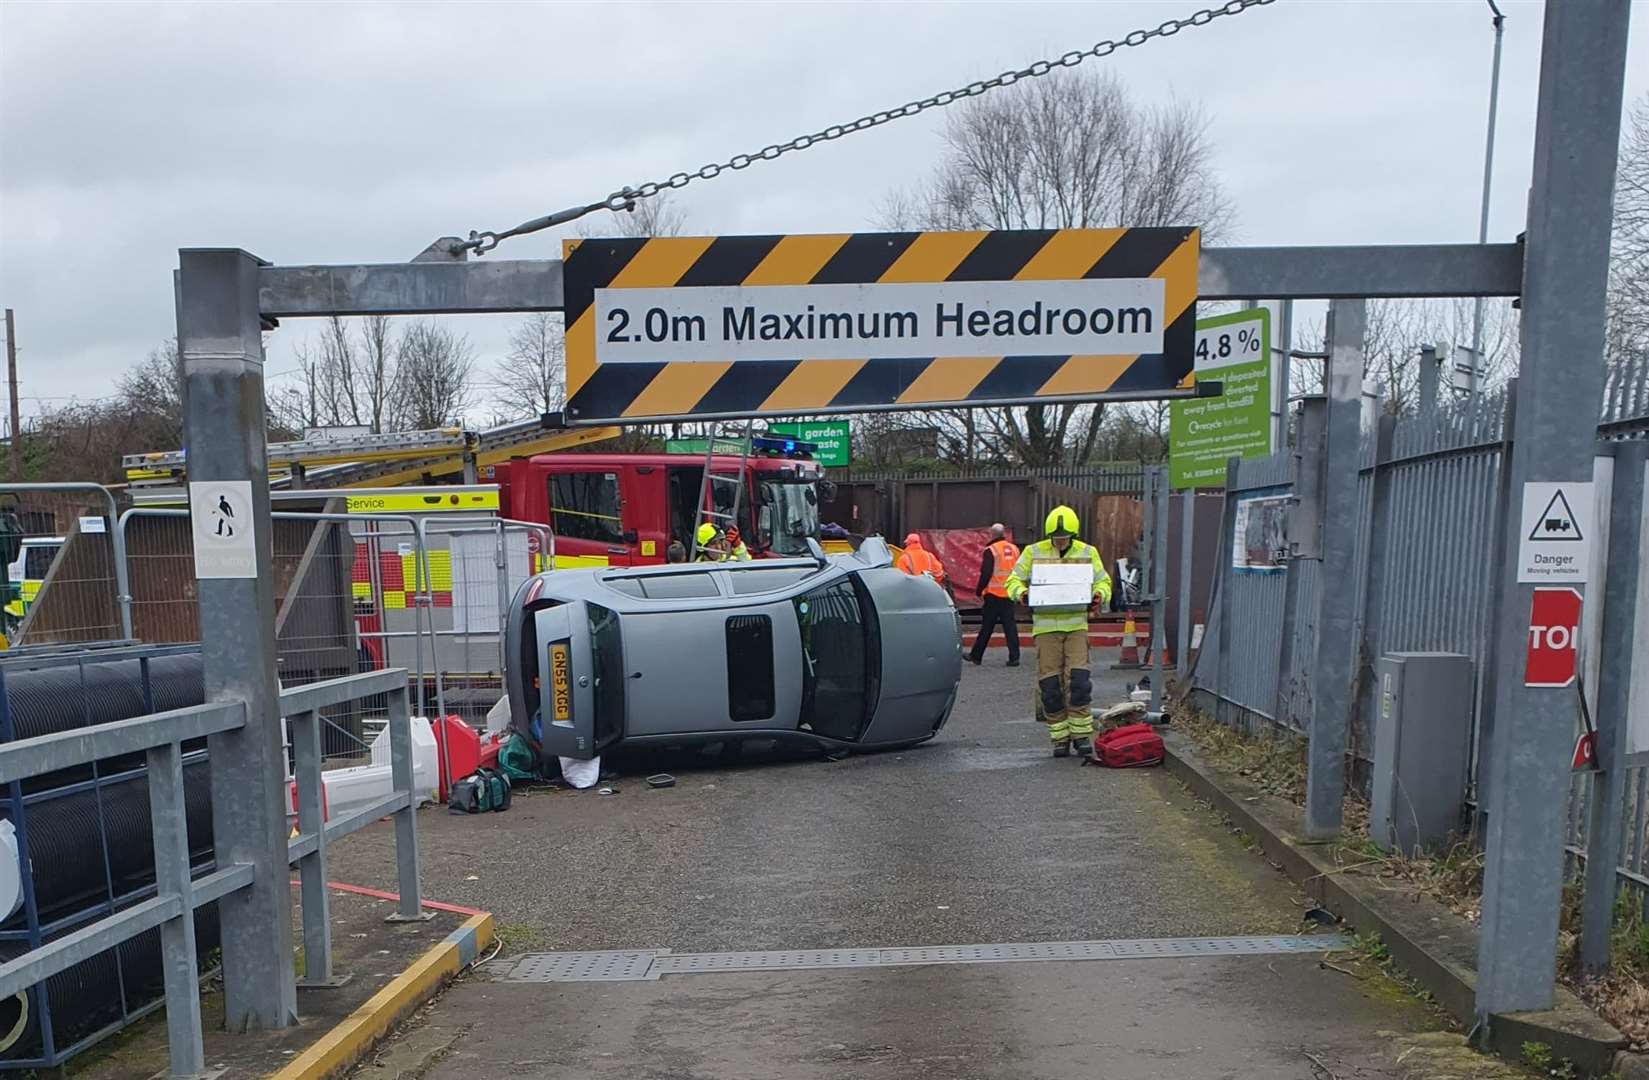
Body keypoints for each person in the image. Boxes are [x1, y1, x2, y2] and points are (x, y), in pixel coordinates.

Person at [1004, 506, 1112, 759]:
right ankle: (1059, 738)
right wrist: (1021, 593)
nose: (1059, 541)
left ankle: (1082, 736)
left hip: (1076, 626)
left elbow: (1103, 581)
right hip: (1045, 629)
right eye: (1056, 537)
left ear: (1072, 535)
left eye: (1064, 537)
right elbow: (1012, 580)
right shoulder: (1034, 552)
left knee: (1079, 682)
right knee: (1050, 686)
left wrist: (1100, 595)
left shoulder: (1087, 552)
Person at [968, 523, 1021, 668]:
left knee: (987, 626)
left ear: (992, 534)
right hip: (1009, 593)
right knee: (1010, 626)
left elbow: (986, 573)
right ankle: (1014, 657)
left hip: (993, 594)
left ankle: (976, 655)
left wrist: (979, 590)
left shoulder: (991, 550)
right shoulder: (1014, 549)